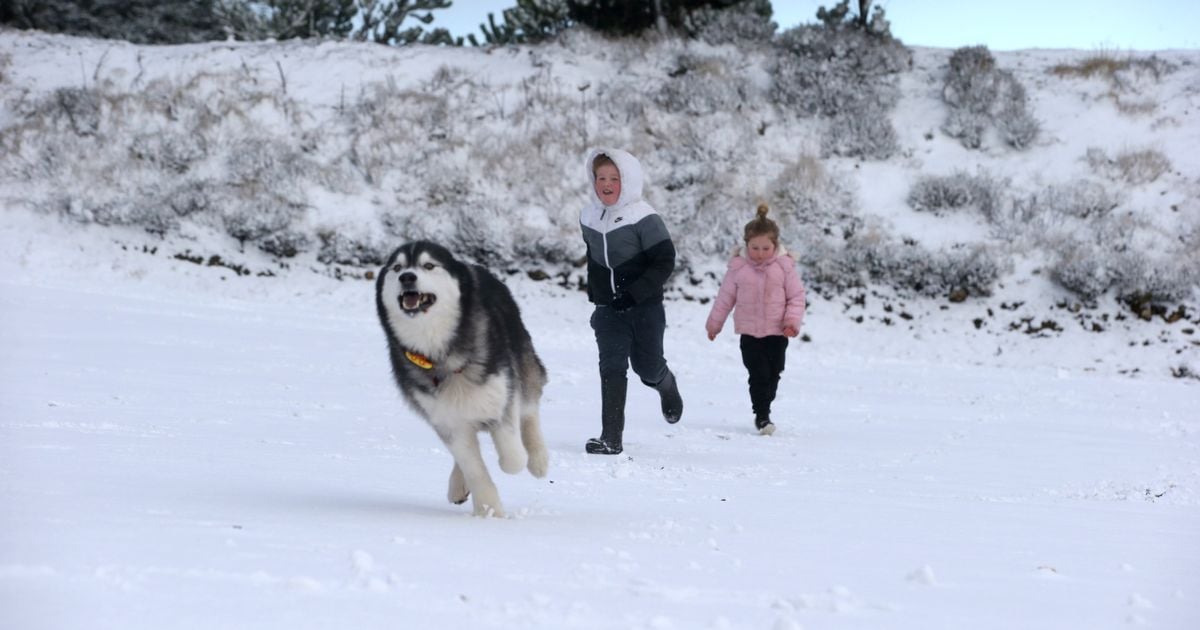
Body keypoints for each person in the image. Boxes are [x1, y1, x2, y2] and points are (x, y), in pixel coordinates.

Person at [579, 148, 683, 455]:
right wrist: (596, 295)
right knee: (611, 366)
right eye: (601, 177)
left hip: (644, 306)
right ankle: (611, 438)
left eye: (614, 177)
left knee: (647, 368)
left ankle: (667, 385)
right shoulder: (589, 216)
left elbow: (665, 261)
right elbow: (595, 258)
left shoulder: (644, 217)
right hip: (609, 309)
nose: (607, 184)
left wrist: (634, 294)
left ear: (629, 180)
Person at [705, 203, 806, 436]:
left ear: (775, 245)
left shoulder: (784, 267)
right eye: (755, 248)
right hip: (750, 334)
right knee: (758, 374)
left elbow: (796, 297)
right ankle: (762, 416)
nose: (759, 253)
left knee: (774, 372)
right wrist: (714, 324)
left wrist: (791, 322)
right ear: (746, 245)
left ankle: (765, 403)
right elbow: (725, 298)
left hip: (778, 332)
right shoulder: (738, 268)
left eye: (765, 248)